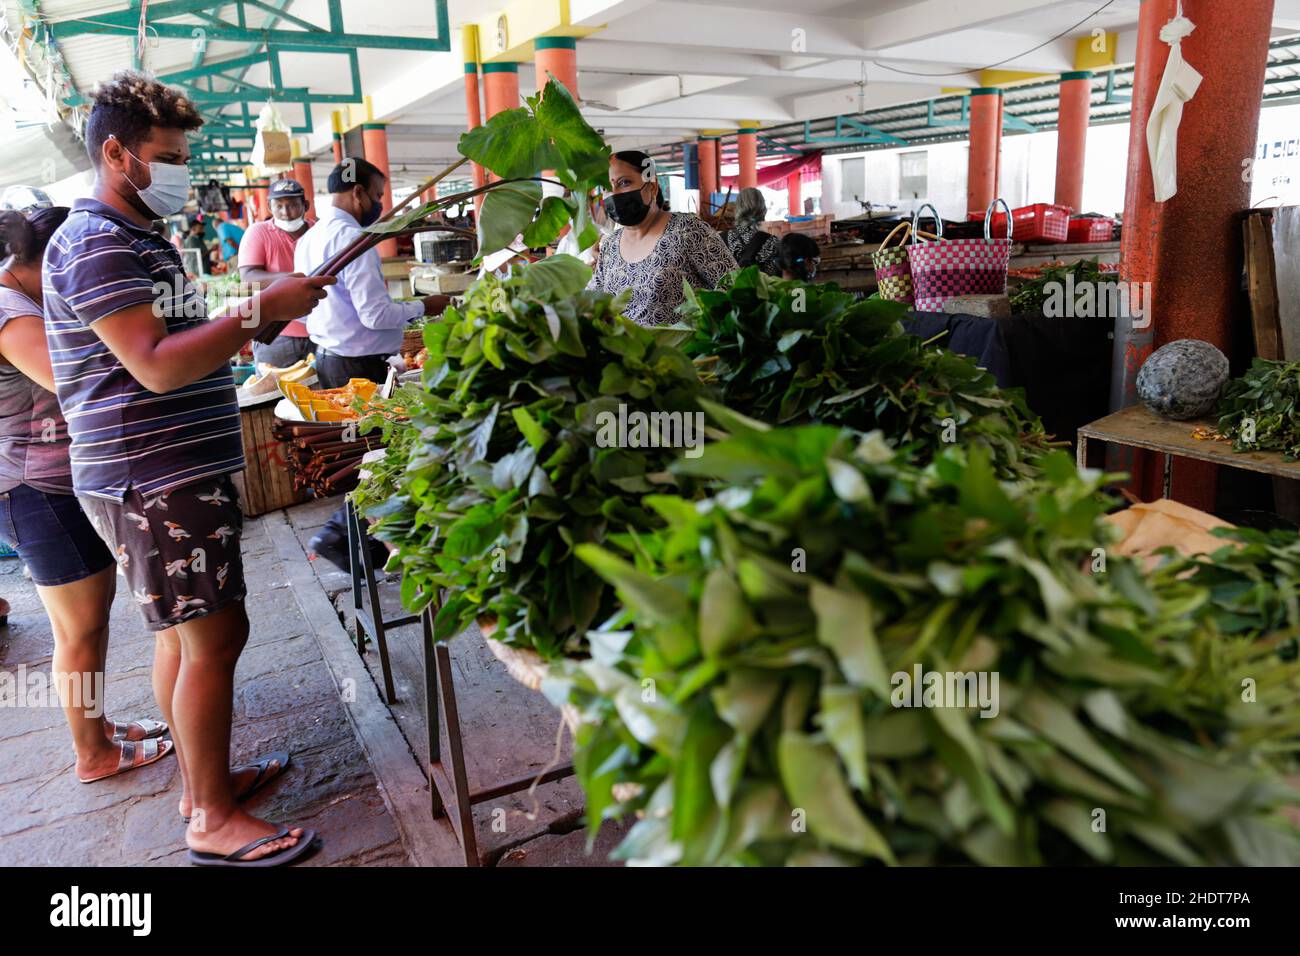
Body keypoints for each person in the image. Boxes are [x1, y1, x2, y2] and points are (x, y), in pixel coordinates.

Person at [43, 70, 334, 867]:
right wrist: (259, 312)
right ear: (116, 153)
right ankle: (208, 818)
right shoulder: (98, 241)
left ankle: (203, 783)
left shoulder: (137, 236)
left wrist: (255, 306)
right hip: (151, 476)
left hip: (168, 471)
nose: (178, 171)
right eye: (166, 156)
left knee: (184, 632)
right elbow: (156, 368)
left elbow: (178, 338)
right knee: (215, 634)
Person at [1, 206, 175, 784]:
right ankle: (92, 753)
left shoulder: (20, 302)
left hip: (48, 482)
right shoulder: (12, 315)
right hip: (36, 488)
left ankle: (97, 730)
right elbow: (71, 378)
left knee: (87, 624)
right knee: (78, 629)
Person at [294, 157, 448, 571]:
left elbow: (309, 310)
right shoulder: (354, 240)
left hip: (330, 358)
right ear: (358, 192)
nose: (379, 204)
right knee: (380, 457)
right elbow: (375, 315)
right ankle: (339, 535)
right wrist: (425, 305)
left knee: (368, 456)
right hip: (358, 366)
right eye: (377, 195)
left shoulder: (310, 238)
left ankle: (365, 545)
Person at [589, 150, 737, 326]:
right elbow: (593, 302)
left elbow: (735, 290)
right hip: (622, 351)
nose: (614, 194)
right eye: (606, 187)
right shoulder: (610, 245)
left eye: (624, 182)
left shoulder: (687, 230)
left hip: (678, 351)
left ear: (651, 186)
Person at [239, 178, 315, 368]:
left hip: (322, 331)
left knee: (328, 393)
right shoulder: (258, 232)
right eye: (278, 206)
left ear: (305, 205)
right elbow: (248, 279)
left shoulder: (319, 231)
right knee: (273, 394)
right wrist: (295, 279)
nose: (286, 213)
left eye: (293, 205)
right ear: (269, 207)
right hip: (276, 334)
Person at [724, 187, 780, 276]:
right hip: (763, 289)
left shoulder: (722, 239)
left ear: (738, 208)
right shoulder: (773, 242)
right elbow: (775, 276)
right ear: (763, 209)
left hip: (731, 289)